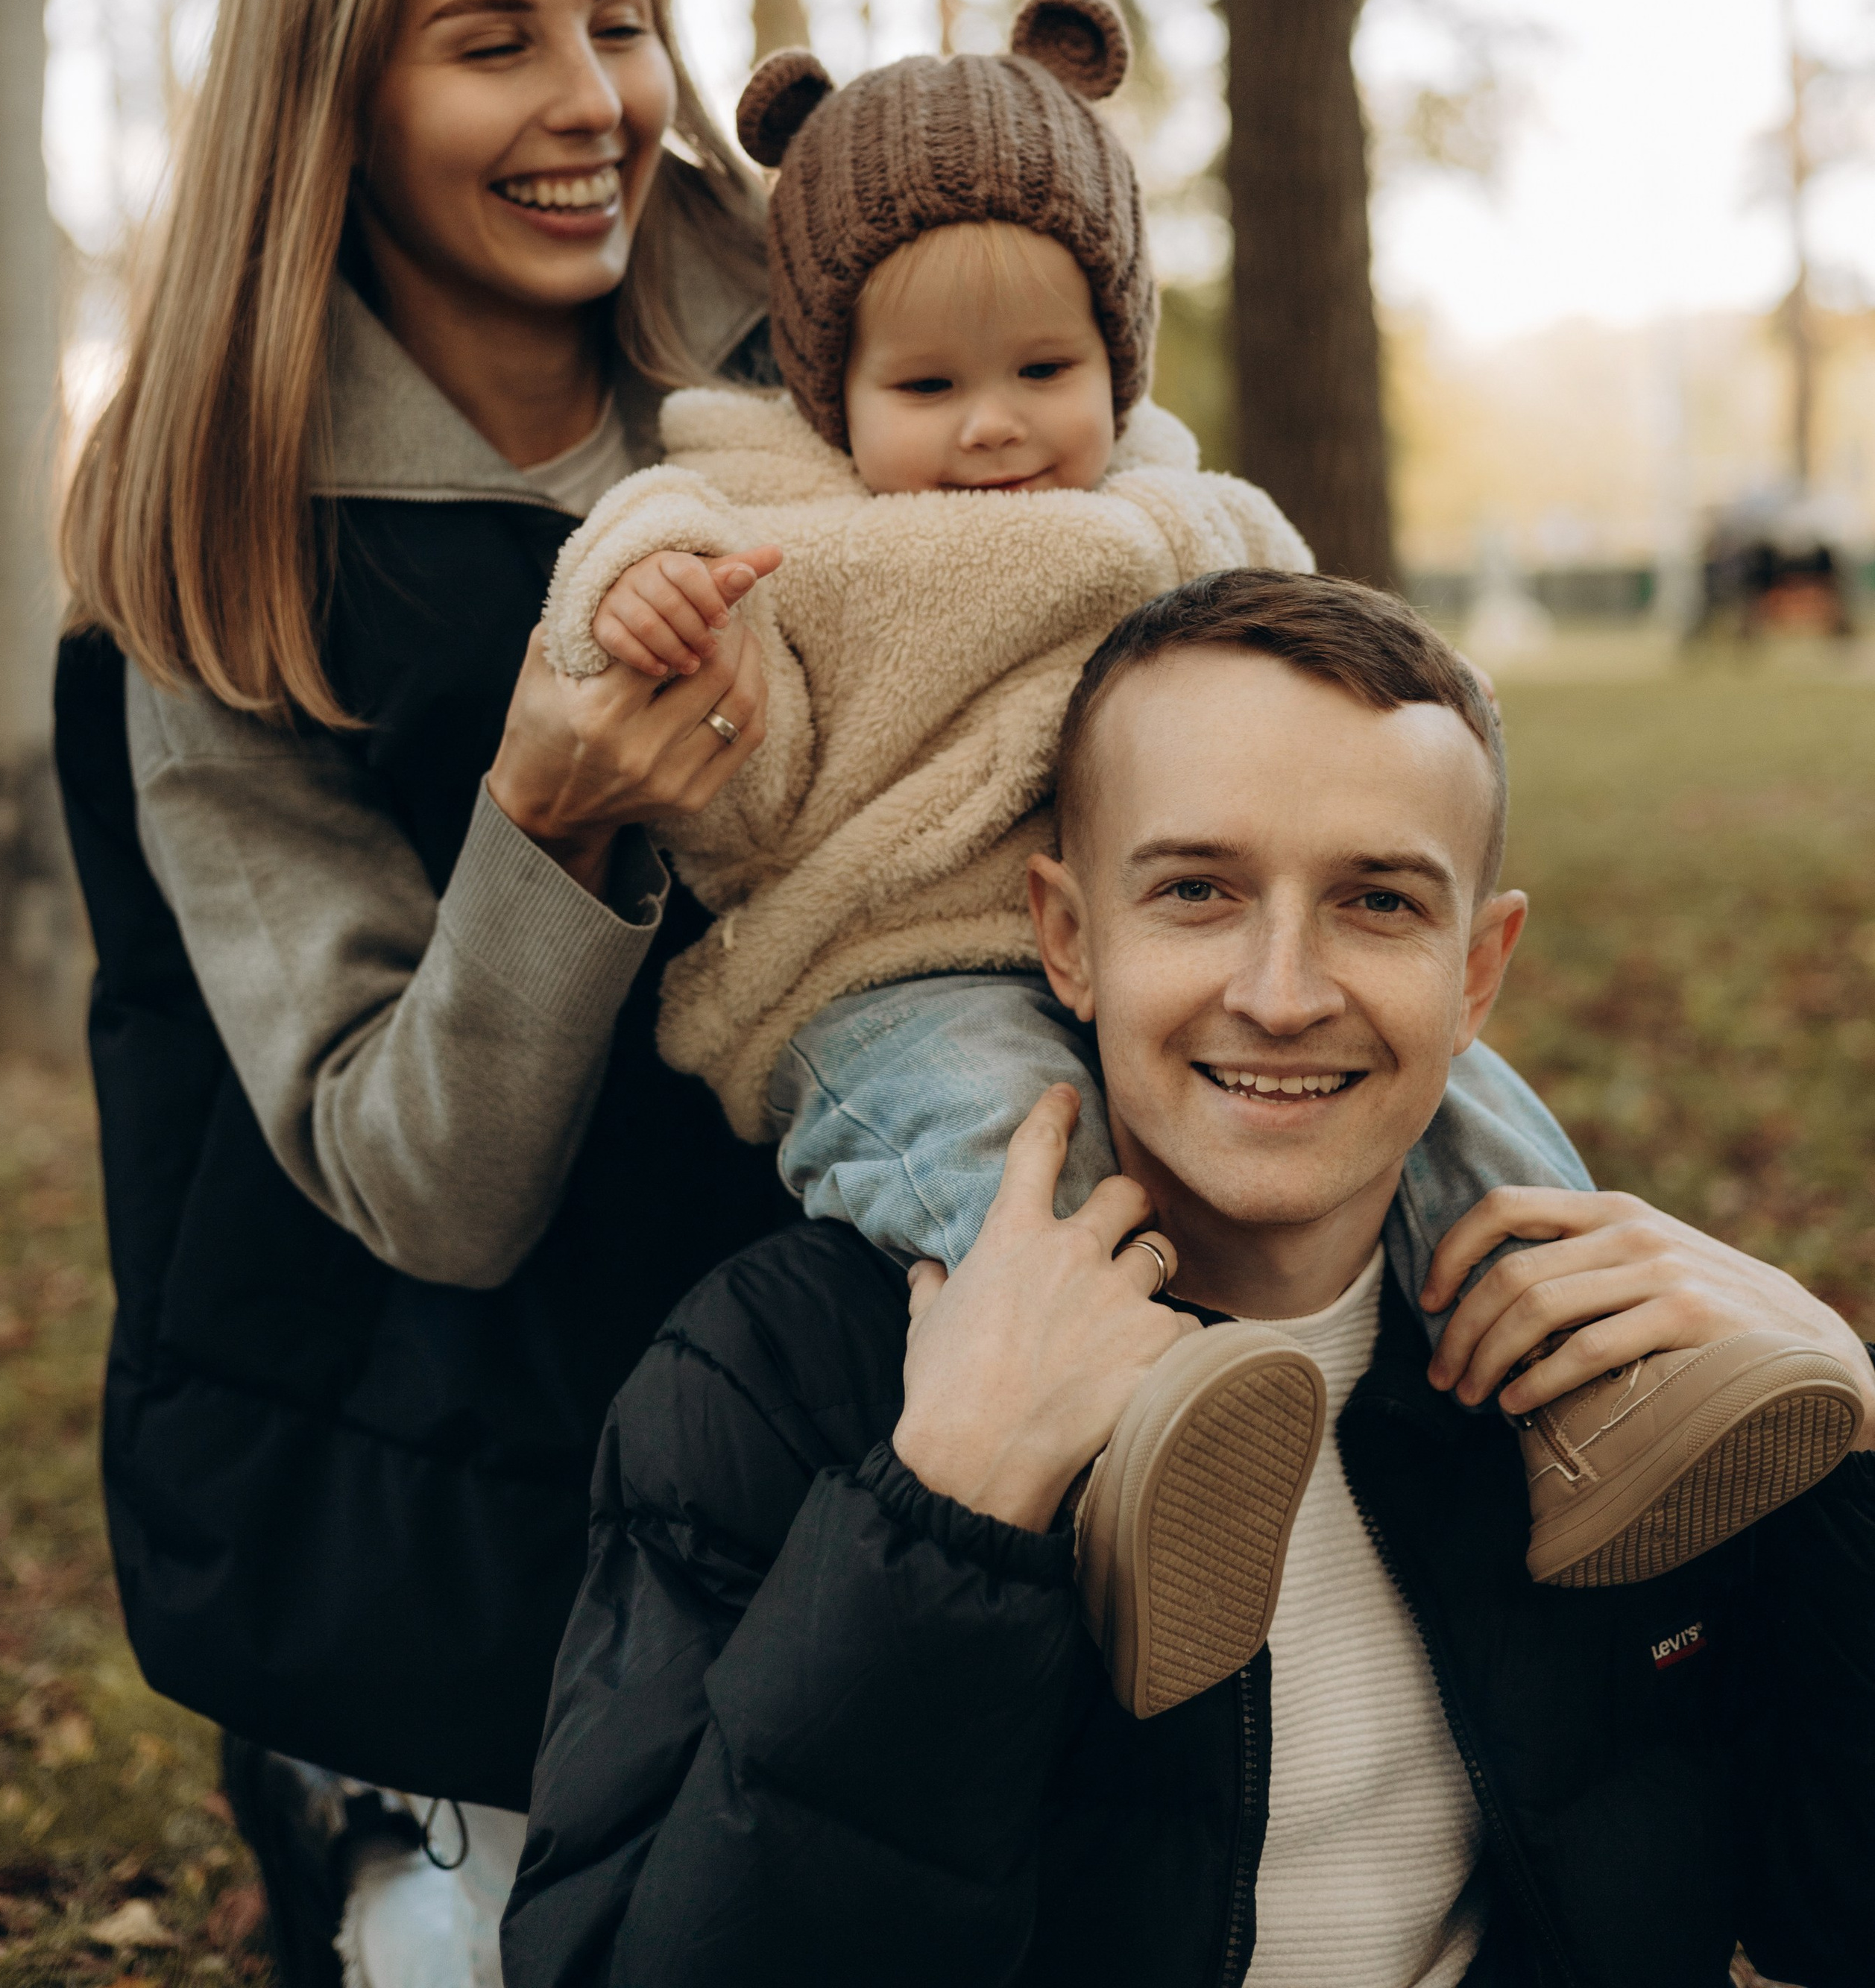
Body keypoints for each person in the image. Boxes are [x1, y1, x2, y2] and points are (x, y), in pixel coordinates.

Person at [535, 8, 1845, 1713]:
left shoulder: (1186, 517)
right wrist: (638, 607)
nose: (994, 428)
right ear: (822, 385)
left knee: (1461, 1099)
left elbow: (1310, 685)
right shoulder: (771, 530)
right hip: (885, 973)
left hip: (1169, 930)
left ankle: (1592, 1374)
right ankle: (1132, 1446)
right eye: (925, 388)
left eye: (1043, 374)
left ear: (1119, 362)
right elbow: (690, 685)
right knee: (1010, 1163)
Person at [502, 571, 1875, 1988]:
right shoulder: (783, 1373)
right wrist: (942, 1521)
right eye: (1198, 892)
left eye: (1377, 900)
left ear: (1478, 974)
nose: (1282, 992)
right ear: (1069, 939)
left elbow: (1833, 1914)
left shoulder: (1615, 1383)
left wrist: (1860, 1459)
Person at [51, 0, 800, 1988]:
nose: (594, 103)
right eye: (494, 43)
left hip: (817, 1365)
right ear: (336, 95)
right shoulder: (211, 553)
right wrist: (541, 821)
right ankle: (376, 1816)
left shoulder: (829, 360)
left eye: (622, 17)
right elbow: (425, 1183)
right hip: (418, 1453)